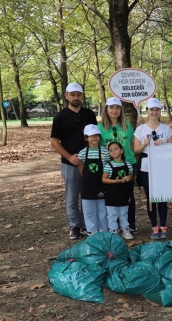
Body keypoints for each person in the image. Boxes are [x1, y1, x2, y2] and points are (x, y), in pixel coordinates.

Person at [50, 82, 98, 239]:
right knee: (72, 196)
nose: (75, 97)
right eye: (72, 94)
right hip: (70, 163)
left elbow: (95, 136)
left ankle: (87, 224)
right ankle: (74, 226)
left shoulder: (89, 114)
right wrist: (69, 156)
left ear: (82, 96)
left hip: (89, 161)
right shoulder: (60, 117)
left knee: (88, 194)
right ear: (66, 96)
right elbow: (54, 140)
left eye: (78, 94)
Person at [133, 98, 172, 240]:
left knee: (162, 196)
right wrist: (144, 144)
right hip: (146, 167)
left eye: (157, 109)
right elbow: (136, 150)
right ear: (147, 111)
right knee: (151, 197)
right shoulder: (141, 129)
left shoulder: (166, 128)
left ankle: (163, 225)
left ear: (160, 111)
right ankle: (154, 227)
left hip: (162, 166)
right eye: (151, 109)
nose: (154, 112)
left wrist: (164, 144)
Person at [98, 97, 138, 234]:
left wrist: (141, 126)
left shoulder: (126, 125)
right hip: (109, 167)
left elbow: (136, 142)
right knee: (112, 195)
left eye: (117, 107)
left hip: (128, 164)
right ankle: (113, 226)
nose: (114, 110)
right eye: (111, 107)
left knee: (128, 195)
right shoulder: (100, 127)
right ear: (106, 109)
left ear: (121, 110)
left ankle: (129, 224)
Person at [78, 124, 110, 234]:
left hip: (101, 184)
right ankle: (92, 231)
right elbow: (81, 166)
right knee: (89, 209)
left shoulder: (105, 152)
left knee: (102, 209)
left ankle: (104, 230)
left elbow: (107, 167)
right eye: (91, 135)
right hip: (87, 185)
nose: (94, 137)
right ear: (86, 138)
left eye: (97, 135)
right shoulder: (82, 152)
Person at [101, 141, 134, 240]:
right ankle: (113, 231)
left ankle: (125, 229)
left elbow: (132, 176)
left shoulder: (127, 164)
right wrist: (114, 181)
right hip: (112, 194)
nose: (113, 151)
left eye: (116, 149)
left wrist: (129, 177)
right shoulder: (108, 165)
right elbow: (104, 179)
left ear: (122, 151)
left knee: (123, 213)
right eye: (111, 150)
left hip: (124, 193)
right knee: (112, 214)